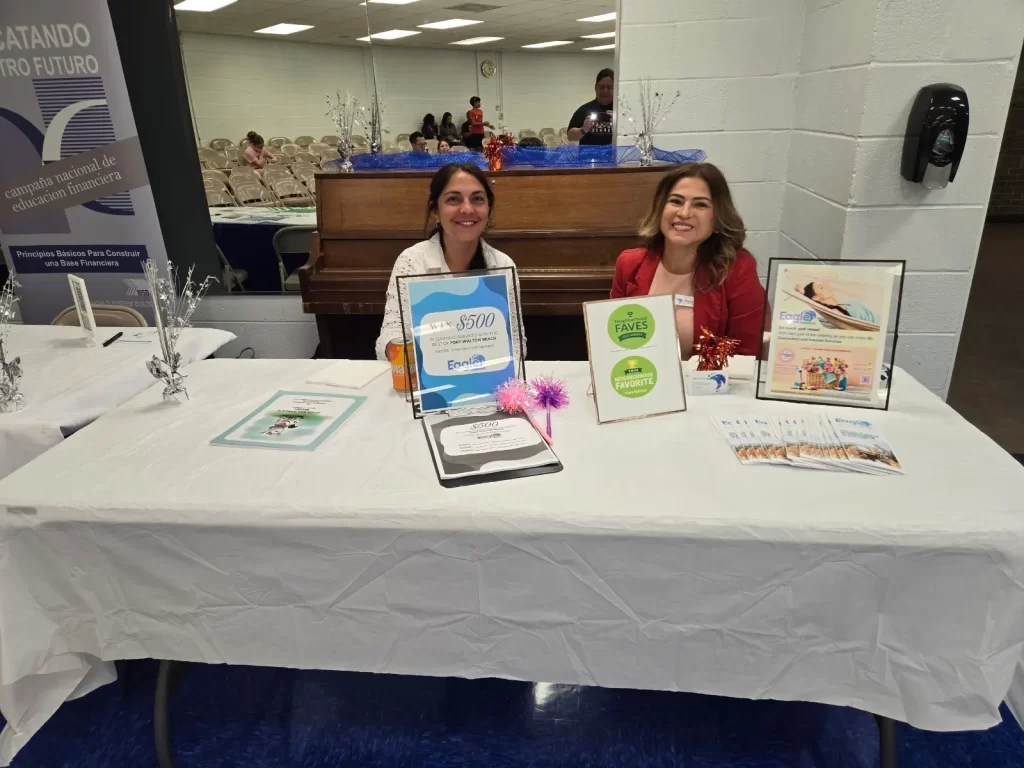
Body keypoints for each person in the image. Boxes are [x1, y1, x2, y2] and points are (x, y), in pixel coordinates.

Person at [610, 162, 767, 358]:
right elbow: (612, 344)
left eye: (700, 204)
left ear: (717, 218)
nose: (684, 213)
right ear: (661, 209)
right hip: (642, 380)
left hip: (708, 384)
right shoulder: (629, 264)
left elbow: (746, 353)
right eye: (675, 201)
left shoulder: (737, 268)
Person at [375, 163, 524, 360]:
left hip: (486, 382)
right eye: (453, 199)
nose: (467, 208)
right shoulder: (411, 262)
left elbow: (516, 343)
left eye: (477, 199)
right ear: (436, 210)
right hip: (426, 382)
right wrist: (420, 359)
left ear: (488, 209)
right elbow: (390, 335)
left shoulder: (502, 265)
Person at [568, 69, 615, 145]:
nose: (605, 91)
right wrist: (583, 130)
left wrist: (619, 124)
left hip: (615, 156)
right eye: (602, 87)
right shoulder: (584, 110)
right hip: (588, 156)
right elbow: (570, 136)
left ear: (615, 88)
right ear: (595, 88)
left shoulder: (621, 112)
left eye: (609, 87)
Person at [797, 280, 878, 322]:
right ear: (815, 297)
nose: (827, 286)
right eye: (821, 287)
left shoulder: (848, 304)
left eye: (824, 284)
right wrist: (802, 292)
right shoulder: (835, 312)